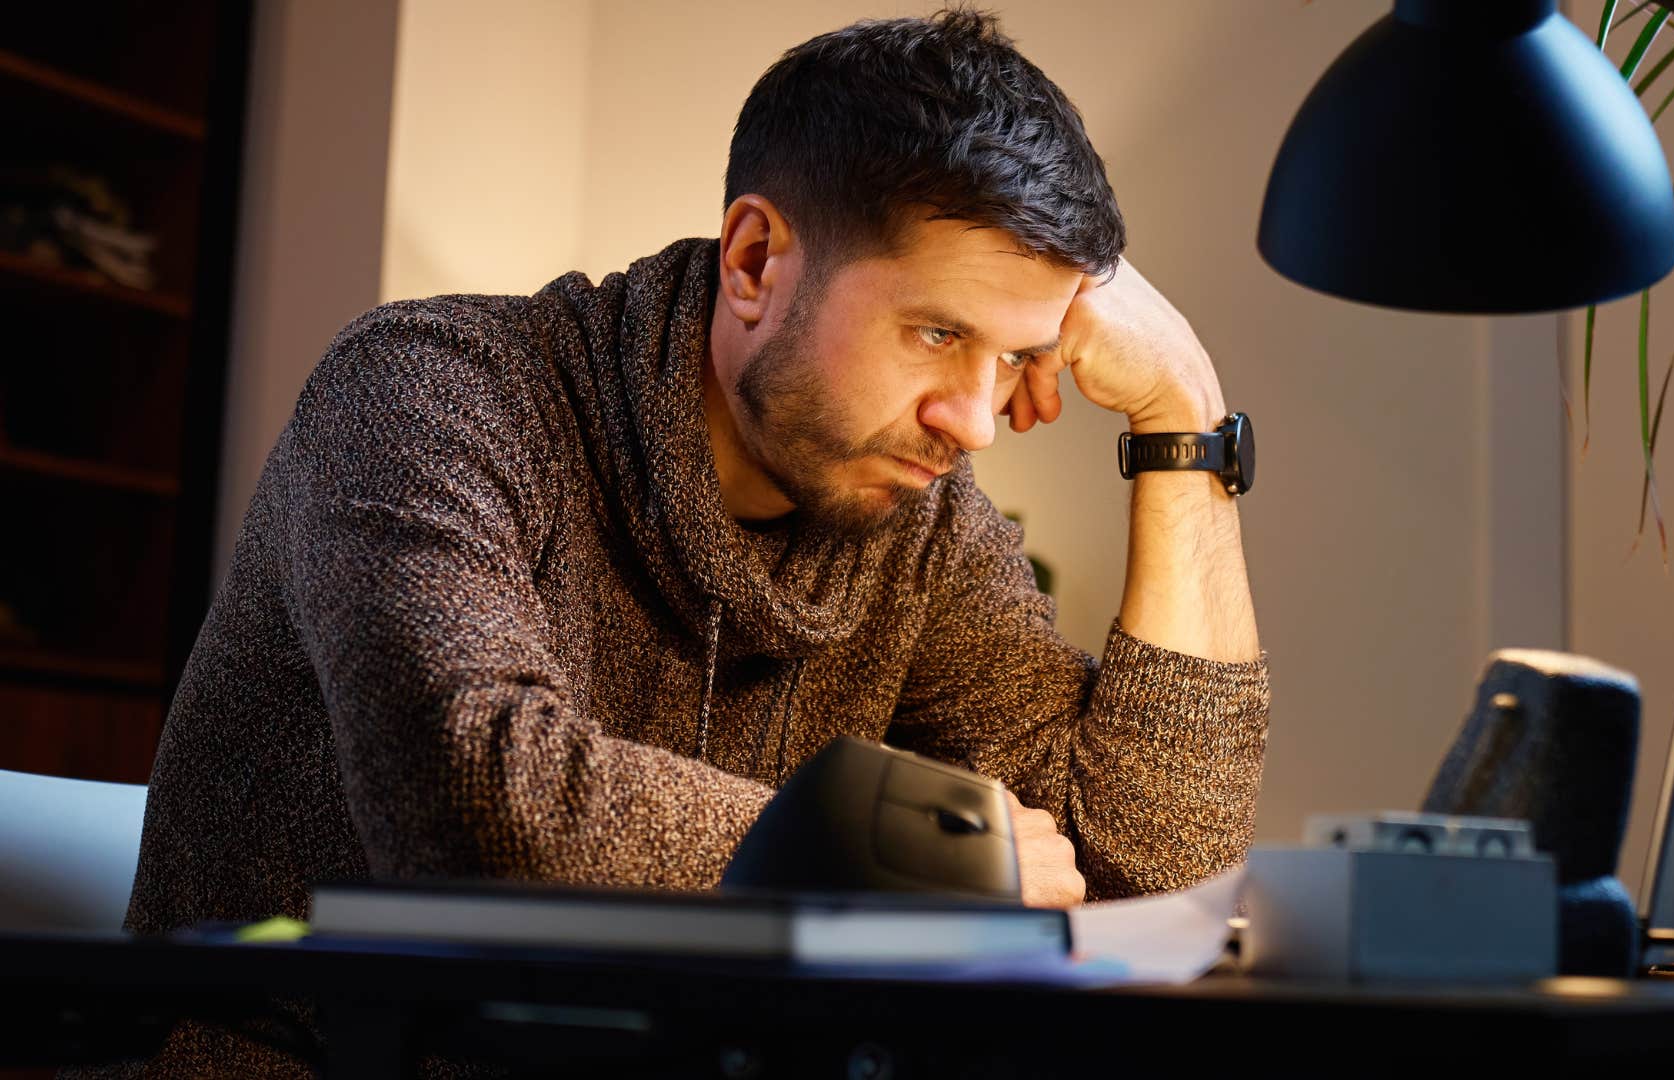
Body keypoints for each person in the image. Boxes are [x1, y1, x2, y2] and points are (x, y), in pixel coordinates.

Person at [101, 8, 1269, 1074]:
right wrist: (908, 855)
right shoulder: (429, 393)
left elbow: (1148, 889)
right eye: (933, 333)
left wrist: (1186, 423)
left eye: (1014, 359)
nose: (976, 421)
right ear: (758, 260)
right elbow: (476, 797)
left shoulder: (921, 526)